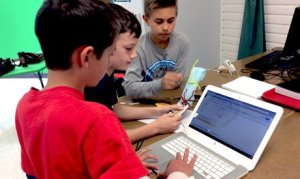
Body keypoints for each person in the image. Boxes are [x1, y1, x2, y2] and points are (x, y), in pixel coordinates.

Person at [15, 0, 196, 178]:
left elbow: (35, 172)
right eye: (109, 53)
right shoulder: (97, 119)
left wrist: (125, 165)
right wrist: (177, 174)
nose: (109, 62)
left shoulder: (24, 106)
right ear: (86, 57)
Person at [85, 3, 183, 144]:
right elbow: (104, 139)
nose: (134, 55)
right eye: (128, 48)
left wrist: (159, 112)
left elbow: (115, 110)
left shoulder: (106, 76)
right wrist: (156, 127)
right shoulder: (93, 84)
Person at [123, 0, 190, 99]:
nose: (166, 27)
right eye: (159, 22)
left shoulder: (182, 42)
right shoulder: (138, 48)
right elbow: (130, 88)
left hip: (170, 101)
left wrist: (173, 82)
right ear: (146, 20)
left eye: (171, 21)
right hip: (145, 105)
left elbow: (176, 83)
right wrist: (161, 84)